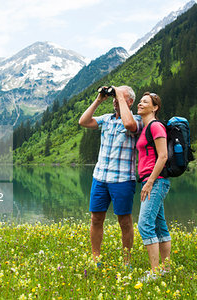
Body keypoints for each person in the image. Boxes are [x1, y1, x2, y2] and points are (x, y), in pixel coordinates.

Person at [78, 85, 142, 267]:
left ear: (130, 101)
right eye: (114, 97)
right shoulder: (106, 119)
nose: (115, 99)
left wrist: (120, 96)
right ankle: (96, 258)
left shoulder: (137, 120)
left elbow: (129, 125)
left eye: (120, 97)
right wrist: (99, 99)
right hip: (100, 177)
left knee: (124, 221)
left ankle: (127, 260)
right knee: (96, 219)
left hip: (122, 179)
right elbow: (83, 121)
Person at [136, 92, 171, 281]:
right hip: (151, 180)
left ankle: (155, 272)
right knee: (159, 225)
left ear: (155, 107)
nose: (140, 104)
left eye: (145, 102)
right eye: (140, 101)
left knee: (145, 225)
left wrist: (149, 182)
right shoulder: (145, 127)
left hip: (155, 181)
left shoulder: (156, 126)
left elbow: (163, 156)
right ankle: (165, 269)